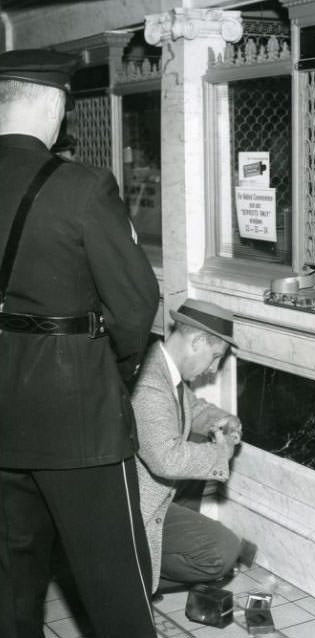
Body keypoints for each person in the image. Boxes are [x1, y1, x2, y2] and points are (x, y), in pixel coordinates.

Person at [0, 49, 160, 638]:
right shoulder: (84, 187)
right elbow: (136, 304)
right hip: (79, 424)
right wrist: (109, 375)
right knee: (114, 587)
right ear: (53, 104)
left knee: (11, 592)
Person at [133, 298, 251, 595]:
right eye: (214, 357)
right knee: (221, 554)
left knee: (224, 547)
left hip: (148, 499)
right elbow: (166, 460)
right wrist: (220, 452)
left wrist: (223, 419)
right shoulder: (150, 382)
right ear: (197, 340)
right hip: (134, 512)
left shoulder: (160, 364)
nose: (213, 369)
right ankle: (129, 576)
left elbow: (190, 407)